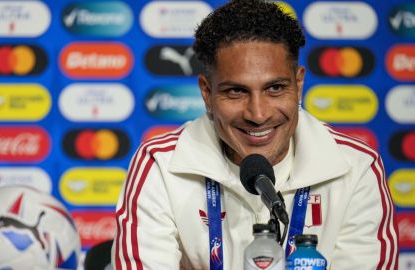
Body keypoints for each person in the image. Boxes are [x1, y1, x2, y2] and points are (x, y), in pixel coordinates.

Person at [111, 0, 399, 269]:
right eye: (236, 91)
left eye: (275, 88)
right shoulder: (160, 164)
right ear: (207, 93)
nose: (258, 114)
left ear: (299, 85)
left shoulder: (357, 166)